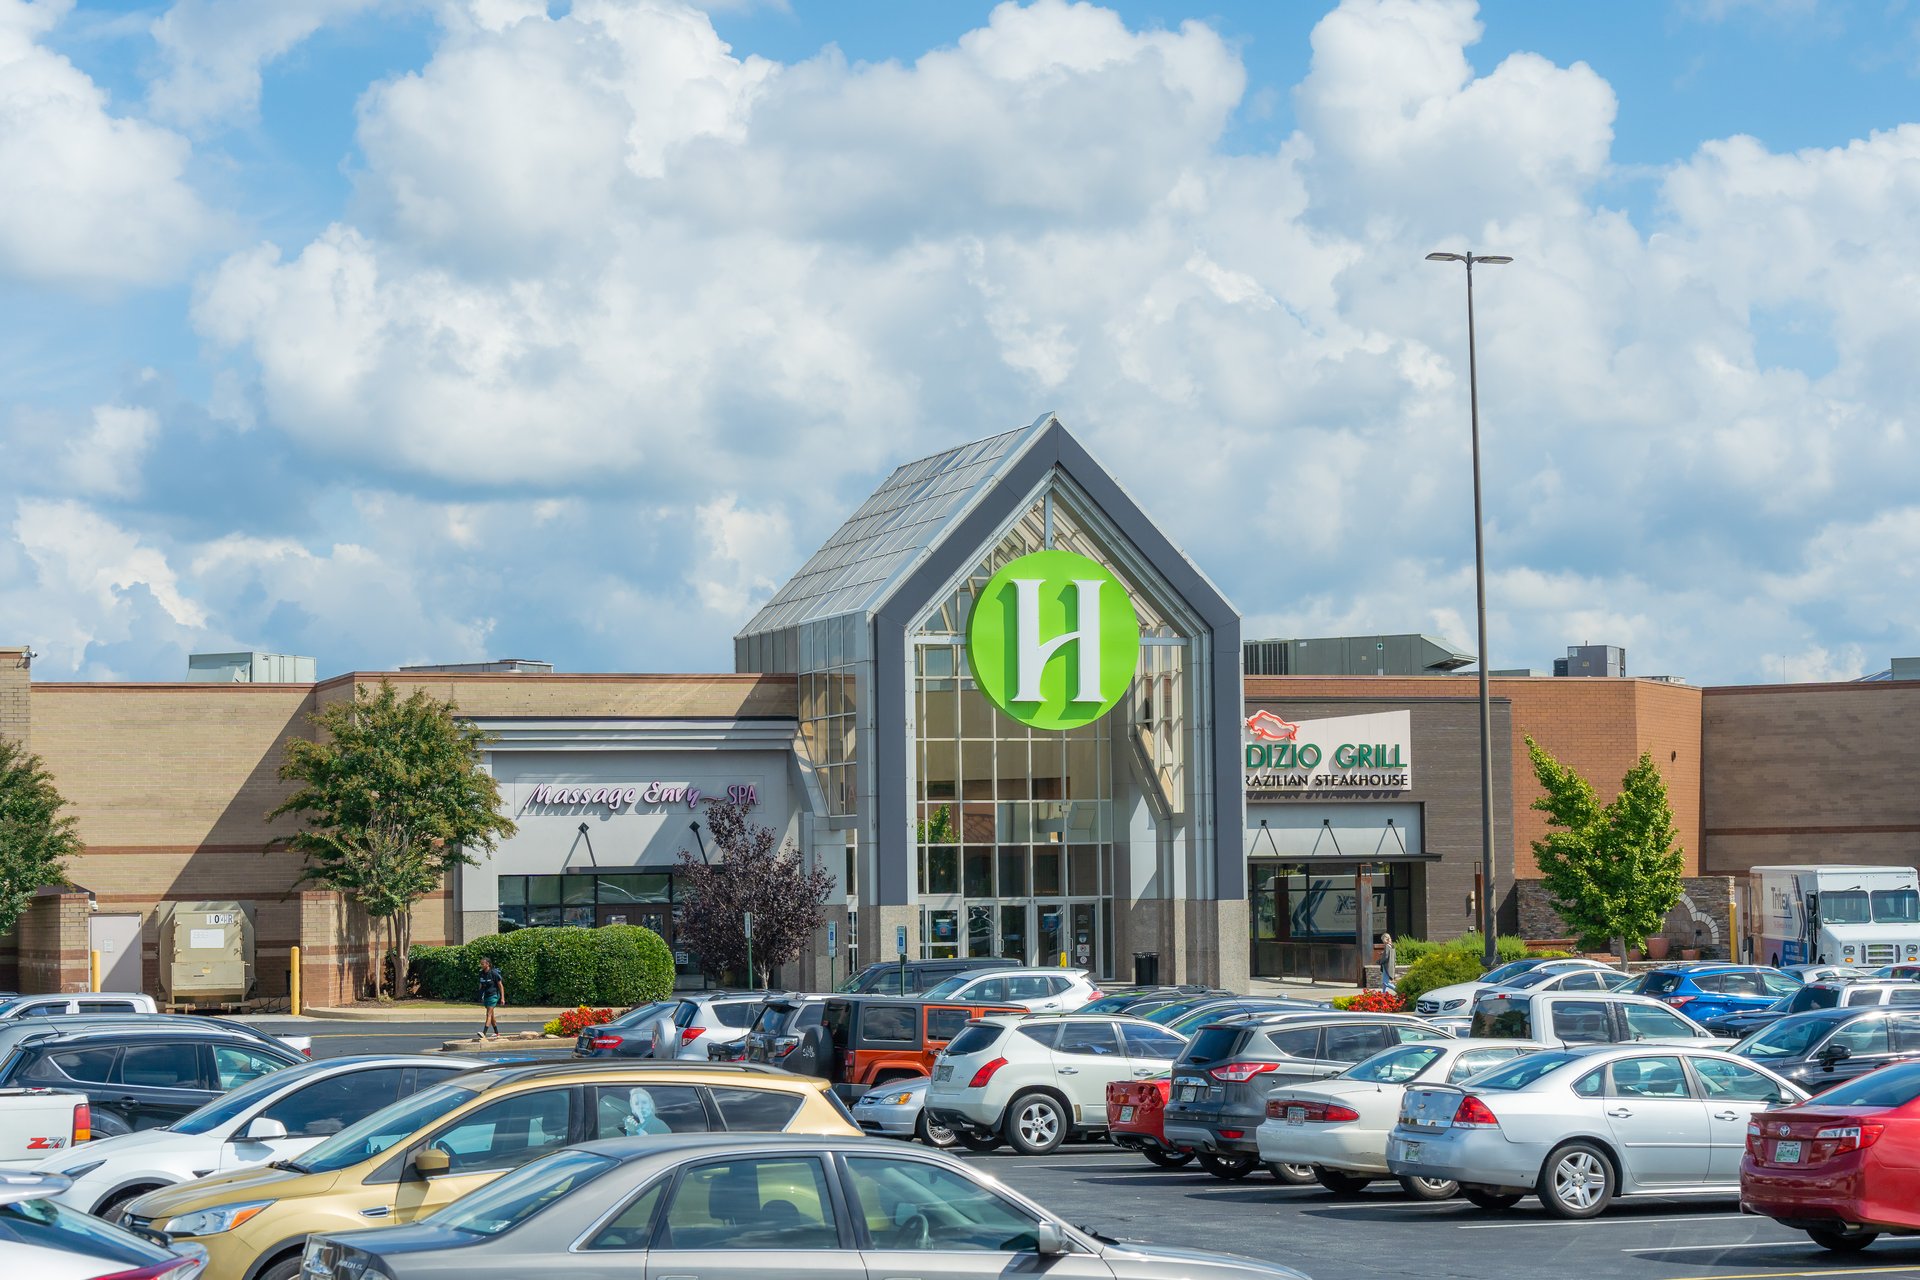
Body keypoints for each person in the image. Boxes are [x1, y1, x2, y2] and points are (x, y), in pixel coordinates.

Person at [476, 955, 505, 1039]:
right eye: (481, 964)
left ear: (487, 964)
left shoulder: (494, 973)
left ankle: (484, 1033)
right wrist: (480, 995)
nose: (481, 965)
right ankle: (496, 1033)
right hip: (486, 996)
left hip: (493, 995)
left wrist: (502, 998)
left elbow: (500, 985)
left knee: (488, 1014)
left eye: (482, 964)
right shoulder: (481, 973)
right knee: (491, 1015)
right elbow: (481, 985)